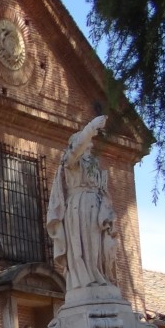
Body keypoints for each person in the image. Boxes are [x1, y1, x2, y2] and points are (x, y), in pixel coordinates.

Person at [46, 115, 118, 291]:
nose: (90, 145)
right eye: (86, 142)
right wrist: (91, 128)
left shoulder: (94, 166)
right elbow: (77, 149)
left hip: (98, 208)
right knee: (82, 249)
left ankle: (101, 279)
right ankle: (85, 280)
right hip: (79, 207)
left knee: (99, 250)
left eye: (90, 143)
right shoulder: (70, 161)